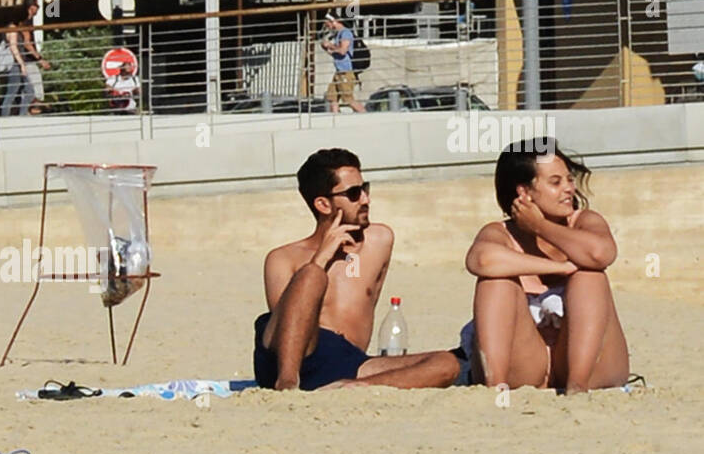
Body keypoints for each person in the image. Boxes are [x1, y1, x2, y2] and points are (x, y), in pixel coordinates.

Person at [255, 148, 460, 390]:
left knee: (446, 364)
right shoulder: (282, 258)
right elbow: (284, 328)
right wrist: (320, 259)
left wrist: (349, 254)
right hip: (294, 359)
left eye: (365, 189)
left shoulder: (378, 241)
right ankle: (287, 386)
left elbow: (356, 281)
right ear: (323, 204)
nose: (365, 199)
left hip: (348, 362)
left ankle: (349, 388)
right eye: (354, 193)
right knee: (311, 276)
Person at [464, 140, 629, 393]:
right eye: (556, 182)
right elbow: (482, 260)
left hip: (589, 364)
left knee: (590, 275)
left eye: (569, 180)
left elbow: (600, 254)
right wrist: (560, 268)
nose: (569, 189)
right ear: (524, 192)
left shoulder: (584, 221)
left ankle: (577, 387)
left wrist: (540, 226)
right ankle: (495, 387)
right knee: (495, 281)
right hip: (529, 362)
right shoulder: (501, 233)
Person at [321, 12, 366, 114]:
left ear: (333, 21)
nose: (327, 26)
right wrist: (326, 48)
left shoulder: (345, 33)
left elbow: (342, 51)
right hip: (339, 71)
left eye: (327, 23)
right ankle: (335, 118)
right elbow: (337, 53)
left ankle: (365, 115)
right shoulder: (338, 34)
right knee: (332, 97)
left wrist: (330, 45)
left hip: (345, 71)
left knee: (348, 99)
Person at [16, 0, 51, 114]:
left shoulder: (23, 21)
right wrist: (40, 59)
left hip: (22, 60)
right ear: (31, 8)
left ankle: (26, 111)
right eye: (37, 6)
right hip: (27, 60)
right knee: (36, 88)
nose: (39, 9)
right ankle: (32, 110)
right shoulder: (24, 22)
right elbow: (27, 43)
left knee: (26, 89)